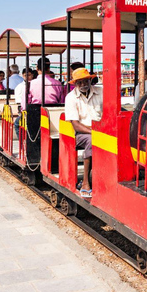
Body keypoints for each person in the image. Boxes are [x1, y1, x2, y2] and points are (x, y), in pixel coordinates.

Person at [64, 67, 102, 198]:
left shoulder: (100, 92)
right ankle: (85, 181)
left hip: (101, 130)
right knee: (92, 141)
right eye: (80, 82)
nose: (84, 85)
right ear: (75, 84)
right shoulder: (70, 98)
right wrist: (93, 131)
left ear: (90, 80)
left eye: (86, 81)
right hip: (81, 134)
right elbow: (76, 125)